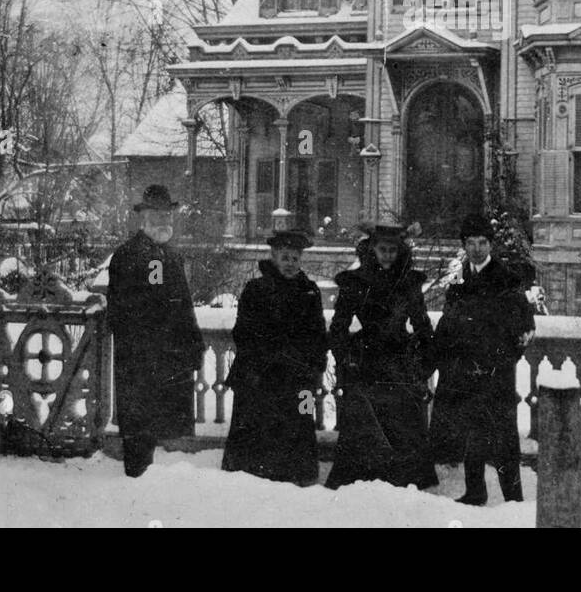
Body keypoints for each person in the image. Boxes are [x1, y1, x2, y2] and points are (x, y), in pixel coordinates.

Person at [432, 213, 535, 505]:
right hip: (465, 374)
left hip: (496, 376)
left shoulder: (507, 279)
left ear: (490, 245)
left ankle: (514, 499)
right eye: (471, 243)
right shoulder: (459, 278)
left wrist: (498, 363)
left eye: (482, 242)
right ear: (464, 245)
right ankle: (475, 491)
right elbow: (449, 323)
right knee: (472, 436)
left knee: (504, 440)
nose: (477, 249)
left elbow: (525, 330)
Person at [326, 224, 437, 490]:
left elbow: (423, 327)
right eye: (382, 249)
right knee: (364, 421)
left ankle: (403, 480)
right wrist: (345, 359)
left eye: (392, 250)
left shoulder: (409, 283)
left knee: (404, 421)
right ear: (372, 250)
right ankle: (364, 480)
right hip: (366, 360)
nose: (387, 255)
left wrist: (422, 365)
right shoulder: (355, 282)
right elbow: (338, 327)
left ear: (400, 252)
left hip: (399, 359)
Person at [106, 184, 205, 478]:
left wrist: (193, 342)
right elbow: (123, 311)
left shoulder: (171, 256)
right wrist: (151, 343)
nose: (164, 221)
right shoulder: (129, 255)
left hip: (168, 359)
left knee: (164, 431)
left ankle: (154, 490)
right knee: (139, 432)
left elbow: (183, 305)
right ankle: (137, 484)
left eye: (167, 215)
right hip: (140, 361)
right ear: (143, 217)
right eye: (157, 215)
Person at [221, 229, 328, 485]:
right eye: (284, 257)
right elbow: (243, 332)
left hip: (300, 376)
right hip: (261, 374)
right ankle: (255, 479)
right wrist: (269, 356)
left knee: (302, 420)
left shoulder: (310, 291)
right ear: (273, 258)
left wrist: (314, 365)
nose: (290, 264)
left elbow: (318, 333)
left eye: (294, 258)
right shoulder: (256, 289)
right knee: (259, 428)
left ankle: (300, 476)